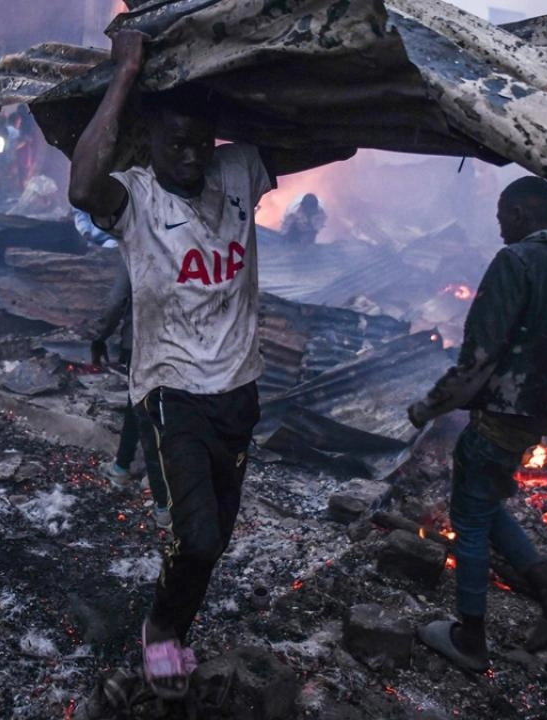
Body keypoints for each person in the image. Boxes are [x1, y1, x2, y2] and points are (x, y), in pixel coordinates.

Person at [69, 29, 353, 698]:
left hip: (240, 388)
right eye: (176, 144)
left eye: (202, 141)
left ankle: (180, 623)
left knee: (216, 538)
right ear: (150, 142)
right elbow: (83, 186)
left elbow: (335, 142)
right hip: (174, 394)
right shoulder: (136, 198)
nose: (192, 155)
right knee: (195, 535)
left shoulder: (237, 170)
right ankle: (161, 628)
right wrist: (125, 74)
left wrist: (308, 77)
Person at [407, 176, 547, 672]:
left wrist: (428, 407)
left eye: (501, 212)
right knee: (484, 508)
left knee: (469, 522)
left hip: (499, 418)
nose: (497, 221)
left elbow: (479, 357)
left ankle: (471, 639)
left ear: (520, 213)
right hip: (533, 417)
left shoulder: (515, 263)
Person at [91, 259, 172, 530]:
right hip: (183, 347)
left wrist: (99, 337)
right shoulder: (188, 242)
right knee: (139, 404)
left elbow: (116, 301)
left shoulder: (135, 247)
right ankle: (122, 466)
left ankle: (164, 507)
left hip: (142, 344)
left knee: (149, 418)